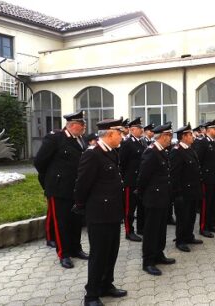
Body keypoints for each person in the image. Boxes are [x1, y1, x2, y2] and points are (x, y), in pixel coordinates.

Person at [74, 118, 127, 305]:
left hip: (113, 212)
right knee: (98, 255)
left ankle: (106, 285)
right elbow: (82, 184)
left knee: (111, 252)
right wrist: (80, 205)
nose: (121, 136)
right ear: (110, 134)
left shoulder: (110, 152)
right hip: (99, 213)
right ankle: (91, 295)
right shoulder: (93, 154)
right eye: (119, 133)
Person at [33, 110, 88, 269]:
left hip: (75, 188)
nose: (84, 128)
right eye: (81, 125)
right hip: (59, 188)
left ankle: (76, 249)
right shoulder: (55, 138)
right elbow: (39, 162)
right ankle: (63, 253)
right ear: (72, 125)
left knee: (76, 220)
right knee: (62, 222)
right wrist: (51, 178)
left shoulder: (80, 139)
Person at [137, 122, 176, 276]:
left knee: (161, 229)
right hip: (153, 198)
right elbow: (143, 177)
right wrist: (143, 194)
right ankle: (148, 261)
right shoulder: (151, 152)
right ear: (163, 136)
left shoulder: (163, 151)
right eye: (169, 136)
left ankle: (159, 254)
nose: (170, 139)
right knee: (151, 231)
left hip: (163, 197)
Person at [170, 123, 203, 252]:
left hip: (193, 190)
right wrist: (177, 194)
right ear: (183, 136)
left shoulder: (190, 148)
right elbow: (174, 174)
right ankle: (180, 240)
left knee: (191, 216)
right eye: (190, 135)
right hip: (183, 192)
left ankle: (189, 236)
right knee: (182, 218)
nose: (192, 136)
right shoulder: (176, 151)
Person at [192, 119, 215, 238]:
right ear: (209, 130)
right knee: (206, 203)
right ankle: (203, 227)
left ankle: (212, 224)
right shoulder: (202, 142)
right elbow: (197, 161)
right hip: (206, 179)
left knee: (214, 202)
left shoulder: (214, 142)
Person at [119, 117, 145, 242]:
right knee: (130, 208)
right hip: (130, 180)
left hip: (140, 180)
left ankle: (141, 227)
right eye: (139, 128)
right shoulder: (127, 143)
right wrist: (125, 179)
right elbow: (122, 163)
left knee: (141, 206)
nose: (142, 130)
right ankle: (129, 231)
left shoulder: (141, 142)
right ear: (132, 129)